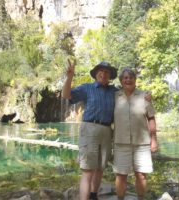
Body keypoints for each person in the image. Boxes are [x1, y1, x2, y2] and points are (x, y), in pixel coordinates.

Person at [62, 60, 151, 200]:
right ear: (96, 74)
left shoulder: (114, 91)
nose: (103, 74)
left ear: (110, 76)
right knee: (88, 170)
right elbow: (66, 95)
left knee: (100, 168)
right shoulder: (87, 88)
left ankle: (93, 195)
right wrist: (69, 77)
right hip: (90, 128)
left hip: (107, 130)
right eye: (101, 71)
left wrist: (145, 95)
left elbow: (130, 91)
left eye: (107, 72)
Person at [113, 68, 157, 200]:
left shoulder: (144, 96)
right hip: (121, 142)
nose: (128, 80)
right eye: (125, 78)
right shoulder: (115, 96)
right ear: (121, 81)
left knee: (141, 175)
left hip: (142, 143)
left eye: (131, 77)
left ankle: (141, 198)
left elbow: (151, 117)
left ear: (135, 80)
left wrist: (154, 139)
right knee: (121, 175)